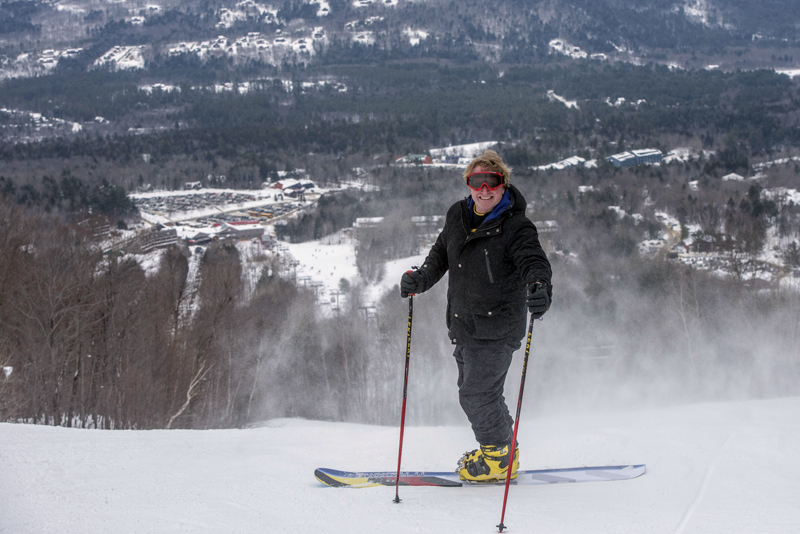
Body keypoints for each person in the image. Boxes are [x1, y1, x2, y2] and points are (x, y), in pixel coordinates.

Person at [400, 149, 552, 483]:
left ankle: (498, 458)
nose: (484, 190)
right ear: (468, 184)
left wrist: (540, 287)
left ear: (503, 184)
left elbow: (534, 262)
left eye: (492, 182)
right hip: (464, 324)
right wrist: (420, 278)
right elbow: (441, 253)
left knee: (477, 395)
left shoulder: (516, 226)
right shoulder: (457, 215)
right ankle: (501, 451)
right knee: (476, 392)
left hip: (499, 325)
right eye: (476, 182)